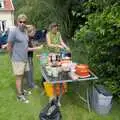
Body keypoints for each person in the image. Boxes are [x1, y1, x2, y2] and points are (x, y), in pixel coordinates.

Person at [7, 14, 30, 103]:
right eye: (20, 22)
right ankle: (19, 96)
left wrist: (26, 26)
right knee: (19, 78)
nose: (22, 23)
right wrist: (11, 56)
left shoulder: (25, 31)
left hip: (25, 58)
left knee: (23, 76)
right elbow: (9, 46)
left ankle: (22, 91)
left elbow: (32, 28)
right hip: (17, 59)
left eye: (24, 22)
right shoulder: (14, 31)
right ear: (17, 22)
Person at [25, 25, 43, 89]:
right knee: (30, 70)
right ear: (30, 31)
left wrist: (37, 54)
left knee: (29, 70)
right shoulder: (26, 38)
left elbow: (32, 46)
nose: (34, 33)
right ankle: (31, 85)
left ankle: (29, 83)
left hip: (29, 56)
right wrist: (38, 48)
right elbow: (26, 49)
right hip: (26, 57)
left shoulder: (30, 38)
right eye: (34, 32)